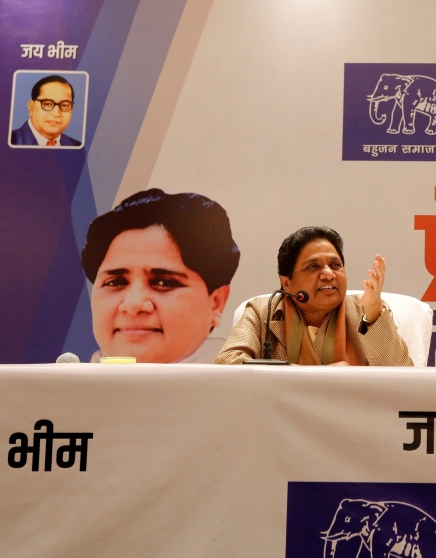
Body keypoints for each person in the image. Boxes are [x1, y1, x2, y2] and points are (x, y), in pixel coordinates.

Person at [81, 189, 240, 363]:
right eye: (114, 282)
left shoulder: (244, 380)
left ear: (216, 303)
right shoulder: (69, 379)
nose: (133, 305)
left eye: (164, 282)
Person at [215, 226, 412, 366]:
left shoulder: (367, 311)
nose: (328, 274)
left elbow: (402, 377)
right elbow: (226, 362)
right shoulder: (263, 312)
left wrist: (374, 315)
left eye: (335, 265)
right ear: (286, 282)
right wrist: (317, 376)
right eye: (313, 266)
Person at [10, 75, 82, 147]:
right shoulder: (10, 141)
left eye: (64, 105)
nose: (56, 114)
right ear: (31, 107)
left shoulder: (77, 146)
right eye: (47, 104)